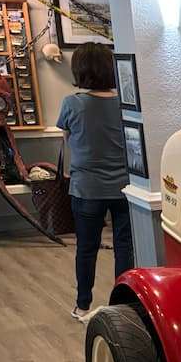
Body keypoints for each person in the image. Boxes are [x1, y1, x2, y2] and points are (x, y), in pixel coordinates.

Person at [57, 42, 133, 319]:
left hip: (86, 187)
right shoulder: (125, 103)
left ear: (80, 70)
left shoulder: (72, 103)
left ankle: (83, 304)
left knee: (86, 249)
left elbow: (67, 142)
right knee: (125, 247)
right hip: (125, 186)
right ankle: (124, 306)